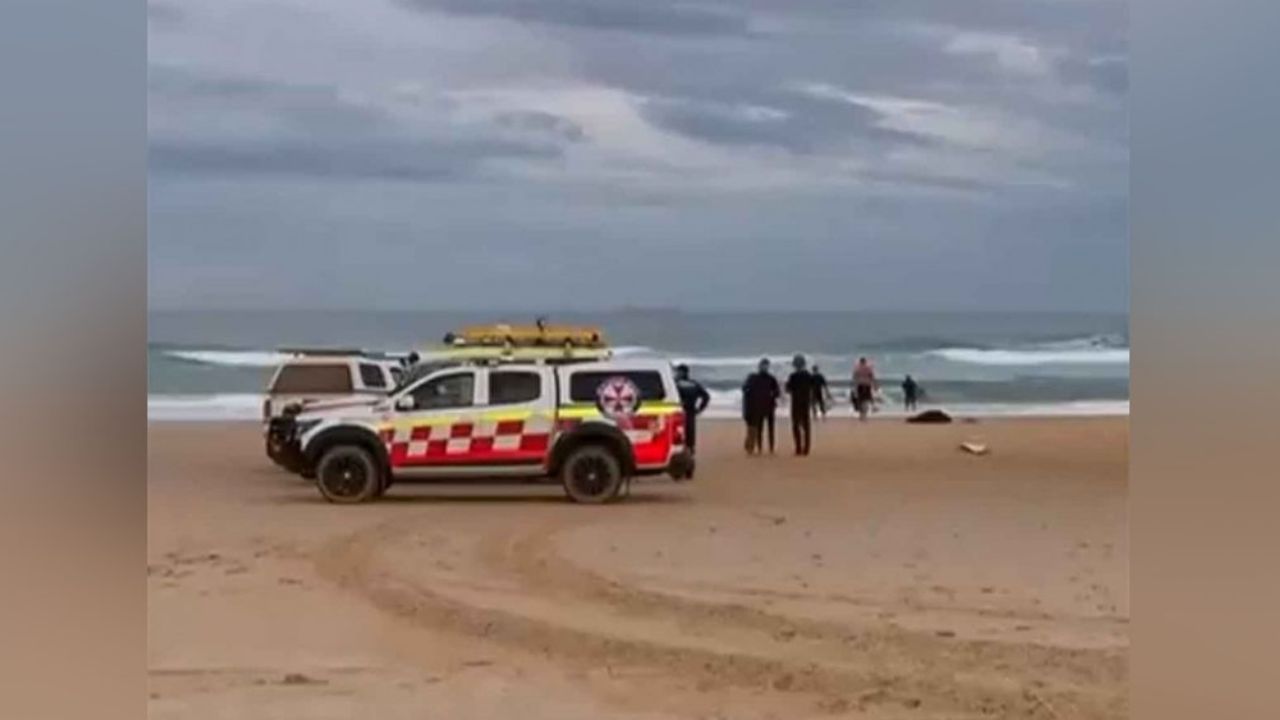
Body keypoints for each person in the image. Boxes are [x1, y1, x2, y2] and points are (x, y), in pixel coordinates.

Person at [741, 358, 780, 454]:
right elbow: (745, 388)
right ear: (759, 366)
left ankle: (771, 447)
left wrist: (772, 395)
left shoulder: (771, 379)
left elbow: (777, 392)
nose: (765, 367)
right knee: (759, 428)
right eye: (763, 365)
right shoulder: (754, 377)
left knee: (771, 428)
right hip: (758, 406)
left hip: (769, 406)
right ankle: (759, 447)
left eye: (766, 366)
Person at [674, 364, 711, 453]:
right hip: (690, 410)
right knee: (690, 431)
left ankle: (681, 449)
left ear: (682, 372)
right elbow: (706, 396)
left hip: (678, 411)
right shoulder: (694, 384)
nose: (677, 373)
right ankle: (690, 449)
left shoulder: (675, 384)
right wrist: (700, 408)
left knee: (677, 431)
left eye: (678, 372)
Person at [785, 354, 814, 456]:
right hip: (805, 402)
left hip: (796, 402)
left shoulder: (793, 376)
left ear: (795, 365)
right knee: (806, 425)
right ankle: (806, 448)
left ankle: (798, 447)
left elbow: (787, 389)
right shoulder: (808, 375)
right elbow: (812, 388)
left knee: (796, 425)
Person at [852, 356, 878, 421]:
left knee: (860, 399)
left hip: (860, 384)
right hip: (867, 384)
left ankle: (861, 415)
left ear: (860, 361)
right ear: (865, 361)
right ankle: (873, 407)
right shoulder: (868, 367)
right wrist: (875, 384)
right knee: (868, 397)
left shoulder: (857, 368)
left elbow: (854, 377)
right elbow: (872, 376)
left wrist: (855, 385)